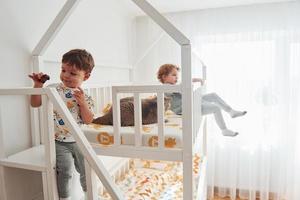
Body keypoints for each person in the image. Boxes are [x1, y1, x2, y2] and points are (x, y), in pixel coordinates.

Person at [29, 49, 95, 200]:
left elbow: (88, 120)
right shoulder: (53, 89)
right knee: (64, 170)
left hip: (79, 140)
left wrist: (83, 104)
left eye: (72, 73)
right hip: (58, 142)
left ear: (86, 76)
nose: (66, 75)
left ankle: (88, 194)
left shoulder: (86, 97)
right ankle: (64, 197)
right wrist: (38, 85)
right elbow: (35, 103)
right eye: (63, 70)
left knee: (86, 169)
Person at [157, 63, 247, 137]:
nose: (176, 77)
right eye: (174, 75)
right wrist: (189, 83)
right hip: (185, 109)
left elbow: (181, 86)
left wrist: (194, 80)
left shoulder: (173, 86)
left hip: (190, 103)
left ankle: (231, 111)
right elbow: (180, 88)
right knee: (215, 108)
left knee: (213, 95)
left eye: (177, 75)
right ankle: (224, 129)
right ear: (164, 77)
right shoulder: (165, 88)